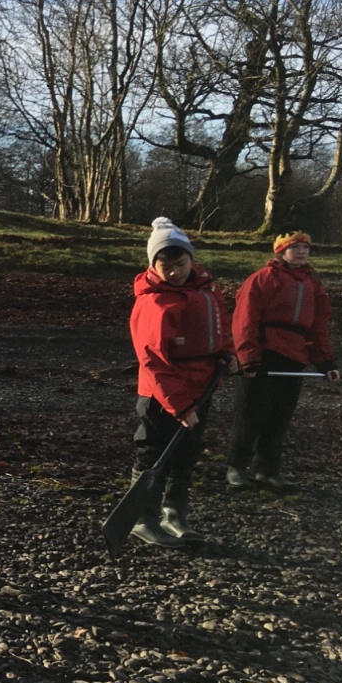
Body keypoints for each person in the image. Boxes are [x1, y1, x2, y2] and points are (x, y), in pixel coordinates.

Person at [127, 217, 236, 547]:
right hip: (163, 394)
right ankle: (142, 517)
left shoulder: (206, 290)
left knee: (187, 453)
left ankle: (174, 514)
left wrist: (227, 352)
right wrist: (181, 406)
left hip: (202, 385)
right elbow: (153, 360)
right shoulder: (154, 301)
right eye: (166, 266)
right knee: (154, 453)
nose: (175, 272)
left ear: (191, 260)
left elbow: (221, 325)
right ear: (153, 265)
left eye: (181, 264)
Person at [226, 231, 339, 492]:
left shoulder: (313, 285)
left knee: (279, 416)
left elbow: (318, 327)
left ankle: (267, 469)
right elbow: (245, 320)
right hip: (263, 354)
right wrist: (248, 358)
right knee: (250, 413)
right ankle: (236, 467)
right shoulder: (263, 278)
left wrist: (326, 363)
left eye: (305, 247)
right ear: (281, 251)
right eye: (295, 247)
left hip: (294, 357)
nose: (301, 252)